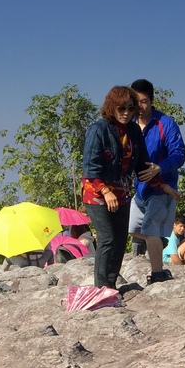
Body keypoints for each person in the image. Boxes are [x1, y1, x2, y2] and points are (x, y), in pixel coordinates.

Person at [79, 86, 149, 290]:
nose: (126, 113)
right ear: (112, 108)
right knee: (107, 238)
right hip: (97, 192)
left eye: (130, 108)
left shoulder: (134, 130)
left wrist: (159, 180)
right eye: (121, 108)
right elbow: (90, 166)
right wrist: (106, 191)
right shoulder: (98, 129)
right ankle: (101, 287)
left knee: (120, 239)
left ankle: (111, 284)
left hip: (122, 191)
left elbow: (141, 164)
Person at [127, 78, 185, 282]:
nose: (139, 107)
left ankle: (158, 274)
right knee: (132, 229)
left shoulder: (165, 124)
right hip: (140, 190)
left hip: (162, 189)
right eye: (135, 101)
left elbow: (179, 154)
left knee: (150, 229)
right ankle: (159, 238)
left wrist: (160, 168)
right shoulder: (129, 124)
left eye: (143, 101)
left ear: (151, 100)